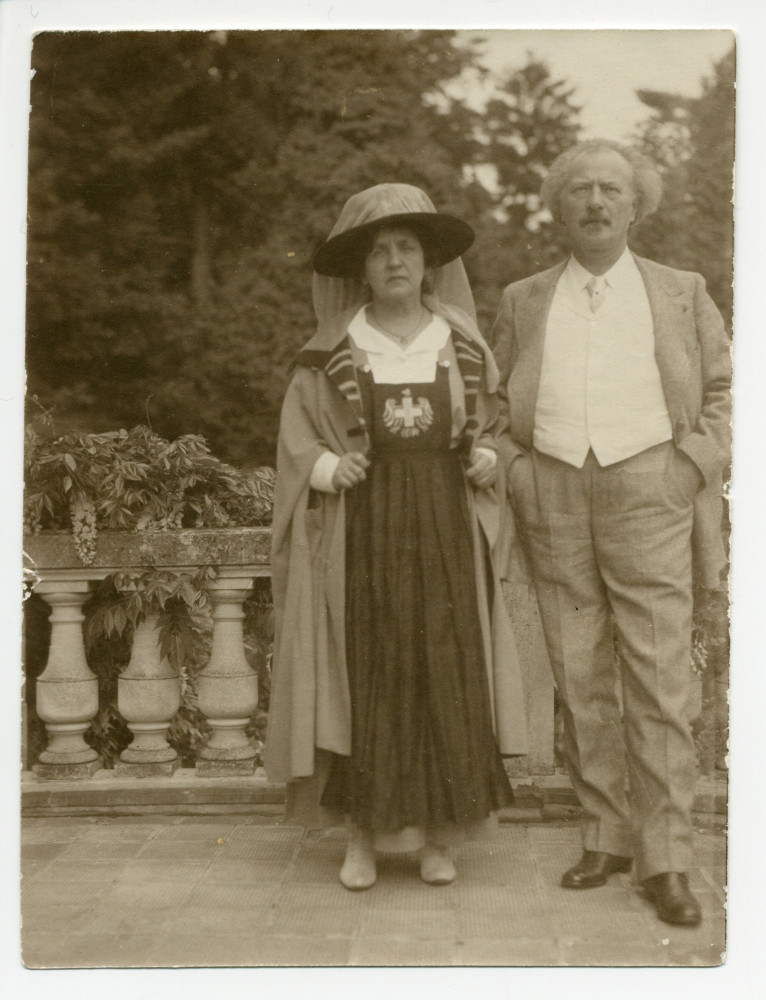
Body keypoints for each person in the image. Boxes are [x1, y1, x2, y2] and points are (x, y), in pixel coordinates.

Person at [491, 140, 731, 927]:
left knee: (660, 679)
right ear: (559, 207)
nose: (595, 202)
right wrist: (521, 470)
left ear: (636, 205)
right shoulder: (524, 298)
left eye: (611, 190)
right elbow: (494, 404)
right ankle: (606, 835)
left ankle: (667, 859)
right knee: (579, 673)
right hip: (553, 492)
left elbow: (731, 390)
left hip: (649, 489)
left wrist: (689, 465)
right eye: (580, 190)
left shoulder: (681, 291)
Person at [264, 183, 527, 890]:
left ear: (429, 262)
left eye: (406, 247)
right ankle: (362, 840)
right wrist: (327, 466)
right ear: (363, 269)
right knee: (369, 671)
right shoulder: (329, 354)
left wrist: (487, 456)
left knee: (445, 666)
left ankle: (441, 837)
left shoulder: (463, 345)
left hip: (445, 522)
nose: (394, 261)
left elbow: (498, 428)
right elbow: (295, 444)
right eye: (379, 251)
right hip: (364, 530)